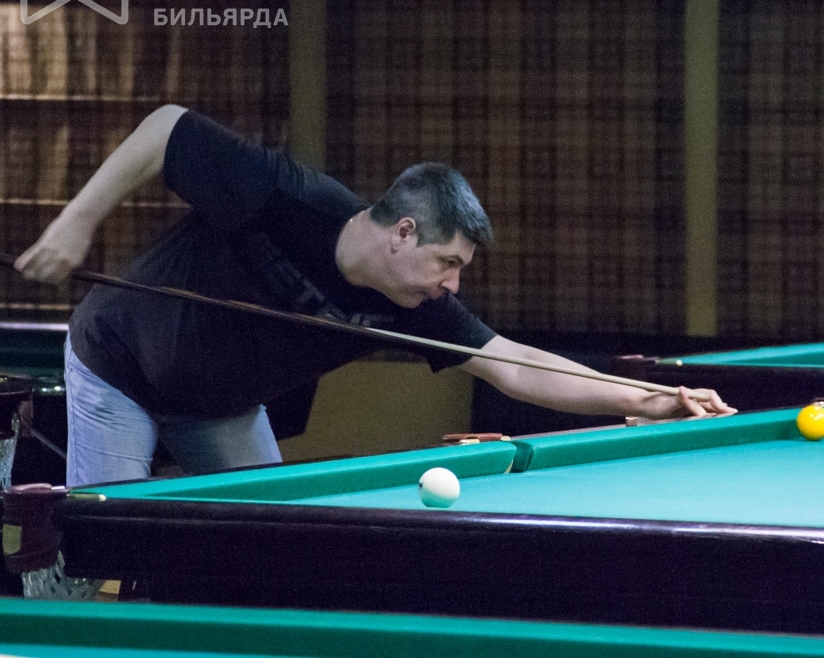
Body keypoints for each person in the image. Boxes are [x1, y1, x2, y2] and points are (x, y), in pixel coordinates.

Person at [15, 106, 736, 487]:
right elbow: (165, 126)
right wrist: (76, 223)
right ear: (404, 232)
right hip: (118, 365)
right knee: (105, 542)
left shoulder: (412, 302)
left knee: (268, 545)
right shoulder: (285, 196)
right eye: (448, 263)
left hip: (220, 403)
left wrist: (648, 398)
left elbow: (515, 365)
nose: (452, 285)